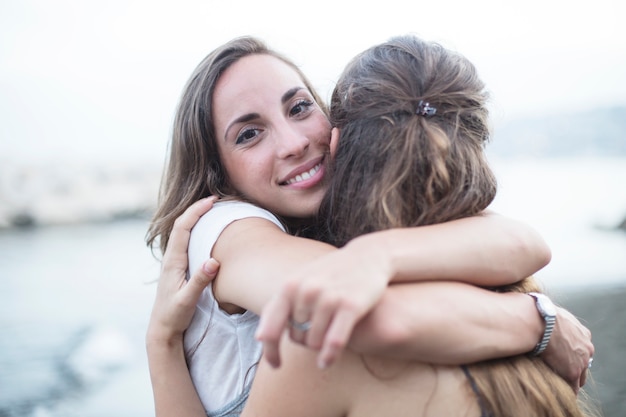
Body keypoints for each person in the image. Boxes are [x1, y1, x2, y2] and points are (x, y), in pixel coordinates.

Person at [145, 36, 593, 417]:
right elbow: (357, 315)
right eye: (249, 134)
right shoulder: (225, 227)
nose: (295, 142)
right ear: (218, 174)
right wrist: (538, 322)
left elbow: (524, 242)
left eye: (300, 107)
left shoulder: (352, 233)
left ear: (335, 126)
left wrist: (379, 256)